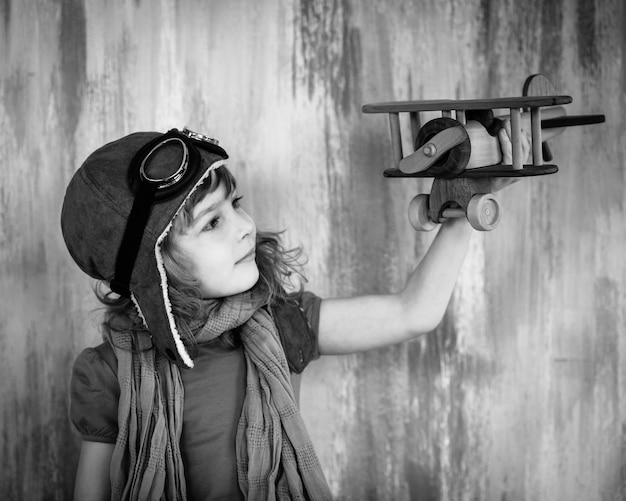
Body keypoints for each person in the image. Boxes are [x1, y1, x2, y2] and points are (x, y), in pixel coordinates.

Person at [62, 123, 527, 500]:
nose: (246, 227)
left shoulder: (283, 321)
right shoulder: (108, 373)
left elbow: (414, 312)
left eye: (236, 204)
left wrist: (469, 202)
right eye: (214, 222)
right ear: (151, 267)